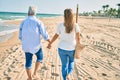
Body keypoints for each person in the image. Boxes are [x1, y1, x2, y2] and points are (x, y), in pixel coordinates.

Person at [47, 8, 80, 80]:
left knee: (64, 65)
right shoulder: (75, 25)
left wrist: (50, 43)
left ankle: (65, 78)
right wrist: (78, 45)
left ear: (64, 16)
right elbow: (78, 38)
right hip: (72, 48)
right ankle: (68, 74)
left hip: (62, 48)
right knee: (71, 62)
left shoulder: (60, 25)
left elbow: (56, 36)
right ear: (72, 15)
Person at [19, 6, 50, 80]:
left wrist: (26, 41)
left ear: (28, 13)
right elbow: (44, 33)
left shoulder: (23, 22)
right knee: (40, 58)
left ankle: (30, 78)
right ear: (35, 13)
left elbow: (20, 36)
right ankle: (35, 73)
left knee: (28, 61)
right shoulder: (38, 22)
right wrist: (49, 41)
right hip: (36, 46)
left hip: (26, 46)